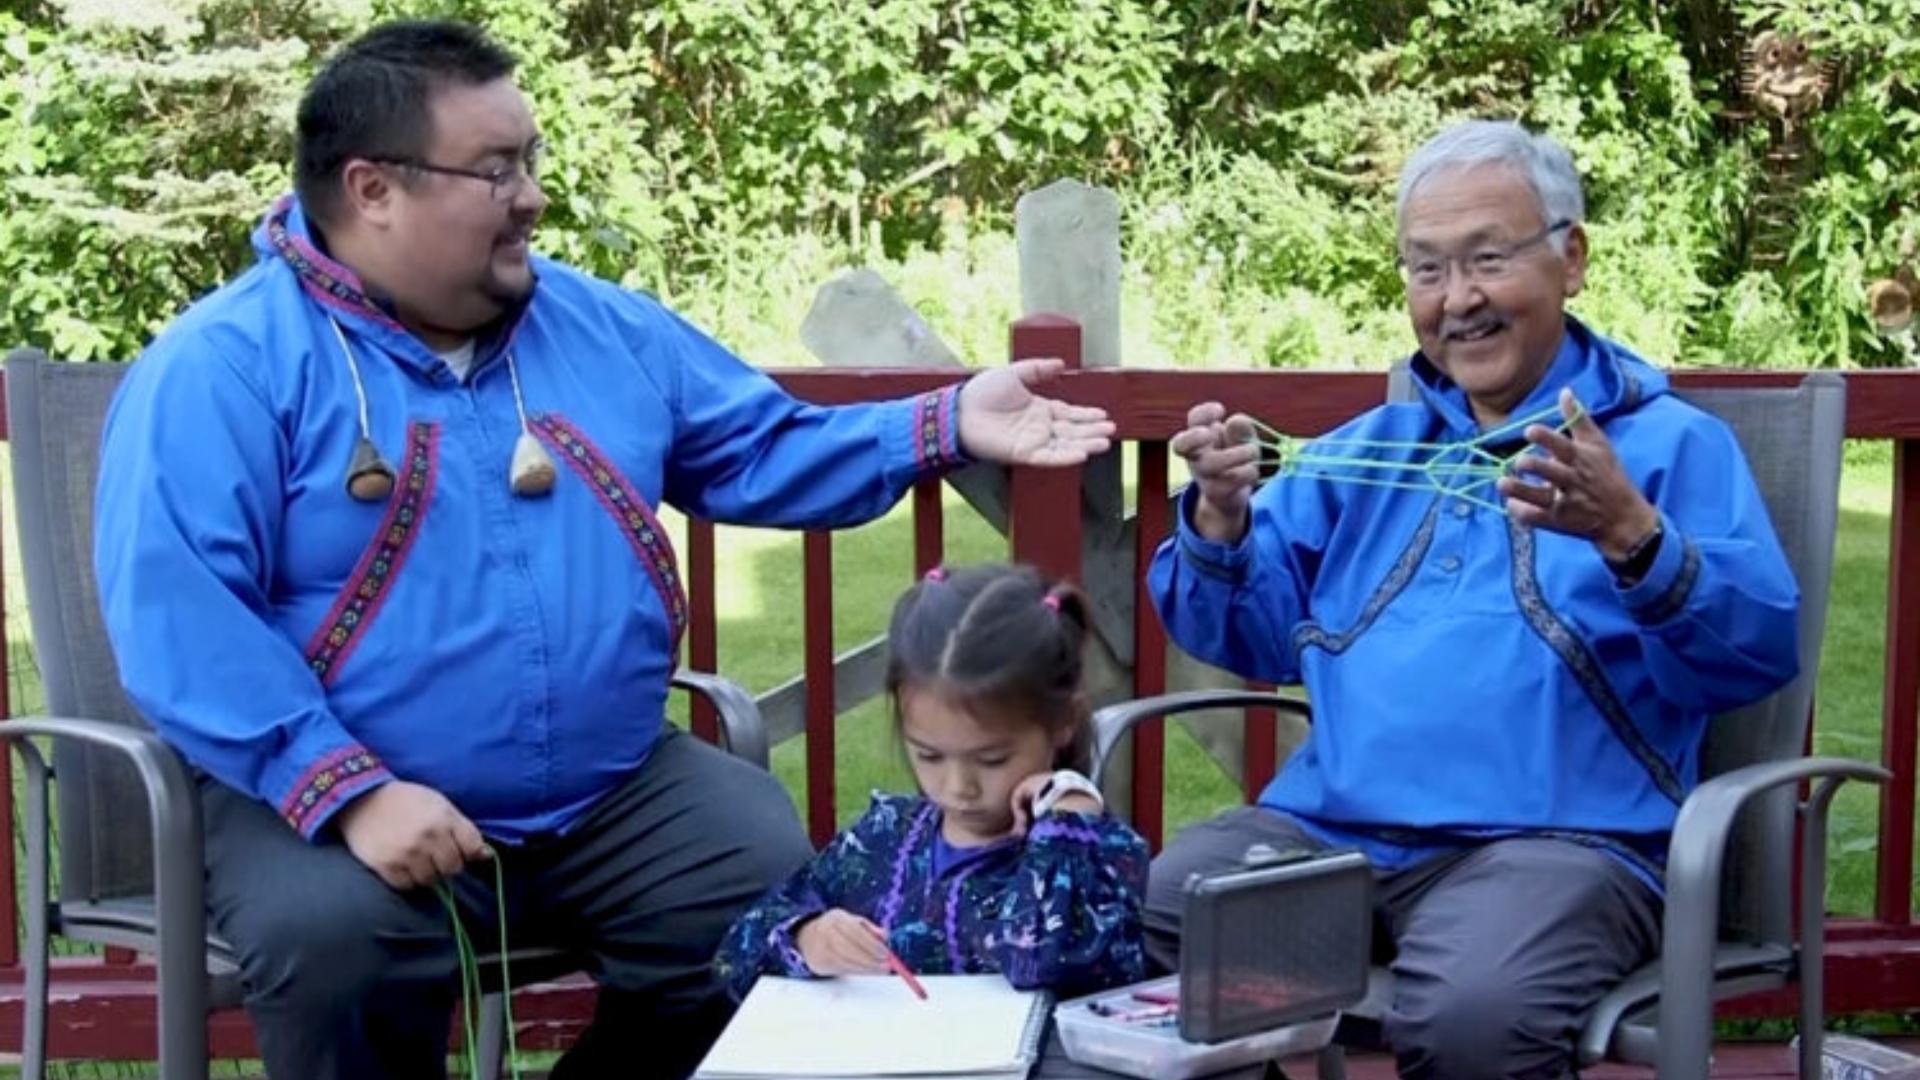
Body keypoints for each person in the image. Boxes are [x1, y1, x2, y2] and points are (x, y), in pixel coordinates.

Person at [90, 21, 1112, 1080]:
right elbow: (180, 613)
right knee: (331, 946)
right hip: (342, 805)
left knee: (765, 898)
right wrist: (345, 789)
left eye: (530, 160)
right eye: (496, 170)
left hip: (611, 794)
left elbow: (759, 443)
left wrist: (944, 423)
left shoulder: (598, 327)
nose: (531, 194)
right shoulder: (221, 366)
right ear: (373, 189)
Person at [1146, 120, 1800, 1080]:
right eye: (1426, 270)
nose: (1459, 300)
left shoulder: (1669, 448)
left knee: (1473, 1009)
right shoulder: (1367, 450)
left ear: (1571, 258)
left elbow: (1756, 653)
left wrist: (1631, 534)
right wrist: (1220, 517)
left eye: (1489, 259)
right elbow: (1243, 634)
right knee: (1168, 900)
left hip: (1562, 841)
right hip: (1338, 830)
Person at [715, 564, 1150, 1002]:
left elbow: (1043, 959)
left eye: (992, 759)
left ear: (1063, 724)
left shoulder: (1099, 855)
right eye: (929, 755)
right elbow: (734, 959)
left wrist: (1066, 817)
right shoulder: (880, 841)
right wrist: (806, 938)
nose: (959, 786)